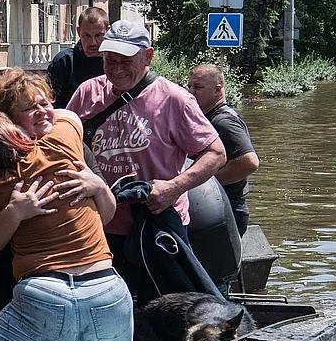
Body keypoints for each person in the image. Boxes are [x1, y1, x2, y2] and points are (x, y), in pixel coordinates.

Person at [0, 71, 133, 341]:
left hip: (45, 296)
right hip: (107, 292)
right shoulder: (66, 142)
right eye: (29, 108)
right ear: (11, 120)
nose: (41, 111)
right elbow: (69, 116)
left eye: (44, 103)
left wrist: (99, 187)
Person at [66, 20, 226, 302]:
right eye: (109, 59)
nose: (116, 68)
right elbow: (63, 147)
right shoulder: (87, 93)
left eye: (125, 60)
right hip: (101, 226)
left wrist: (174, 187)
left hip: (158, 225)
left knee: (166, 308)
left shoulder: (175, 99)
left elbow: (216, 153)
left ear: (148, 56)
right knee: (106, 308)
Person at [187, 64, 259, 235]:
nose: (190, 92)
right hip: (215, 209)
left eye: (198, 87)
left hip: (226, 212)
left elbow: (249, 162)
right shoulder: (211, 118)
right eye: (189, 86)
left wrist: (200, 182)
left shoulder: (223, 122)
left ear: (217, 90)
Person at [46, 6, 108, 109]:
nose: (93, 43)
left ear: (108, 31)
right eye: (87, 36)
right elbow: (52, 104)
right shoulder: (64, 62)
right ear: (78, 32)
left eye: (98, 36)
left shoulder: (116, 63)